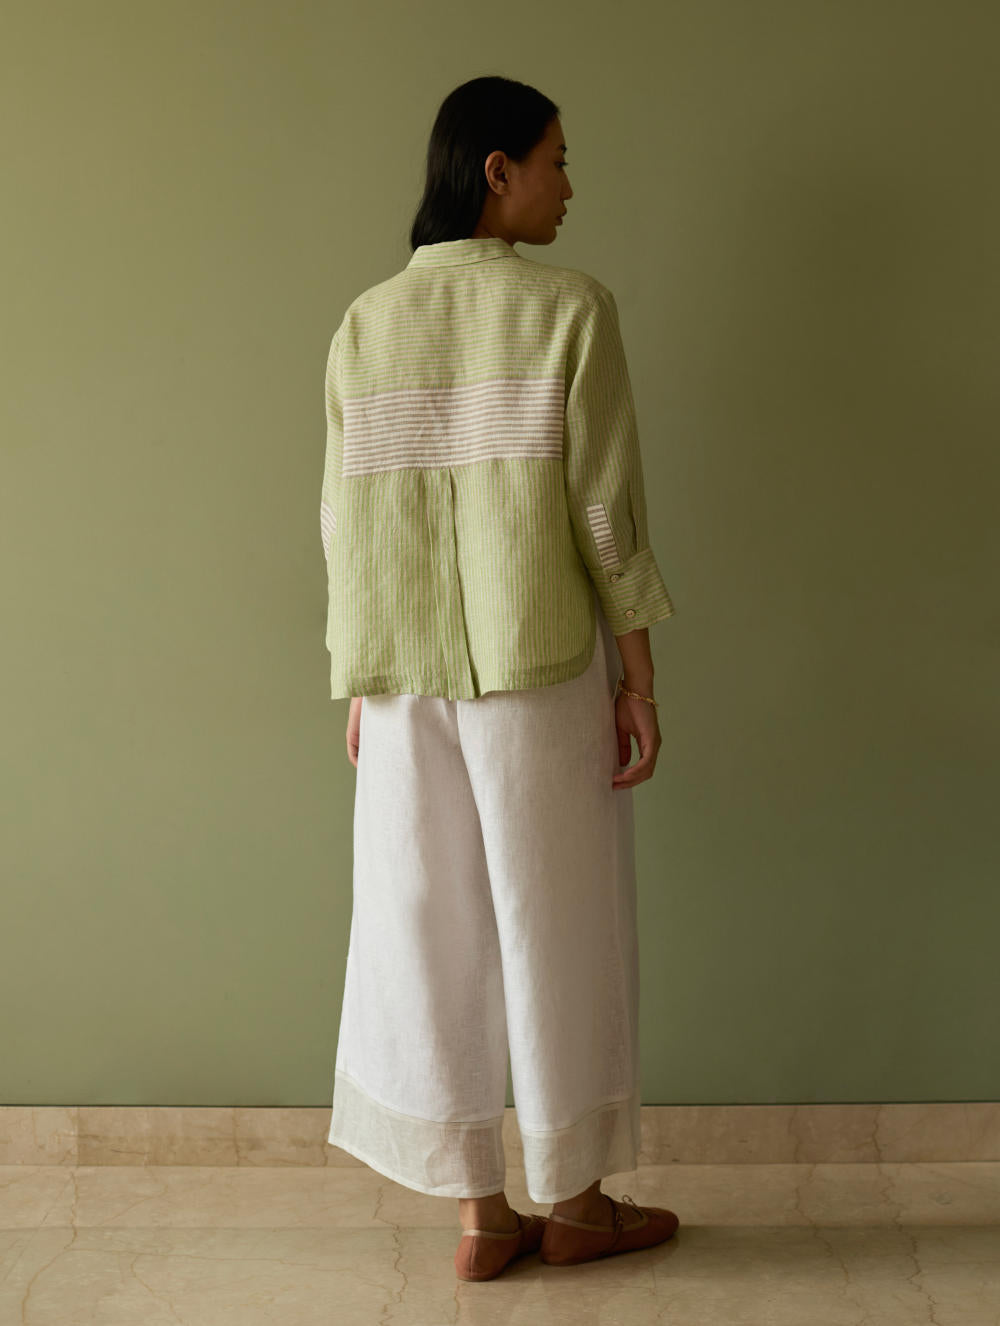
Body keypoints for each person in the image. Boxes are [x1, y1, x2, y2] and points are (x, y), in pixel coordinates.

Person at [320, 75, 681, 1280]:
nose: (569, 185)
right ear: (497, 170)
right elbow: (602, 512)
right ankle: (575, 1203)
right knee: (555, 925)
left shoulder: (366, 323)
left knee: (425, 929)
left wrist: (359, 681)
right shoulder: (569, 309)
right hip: (541, 670)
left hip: (399, 676)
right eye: (557, 159)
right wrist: (638, 679)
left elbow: (344, 522)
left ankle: (480, 1215)